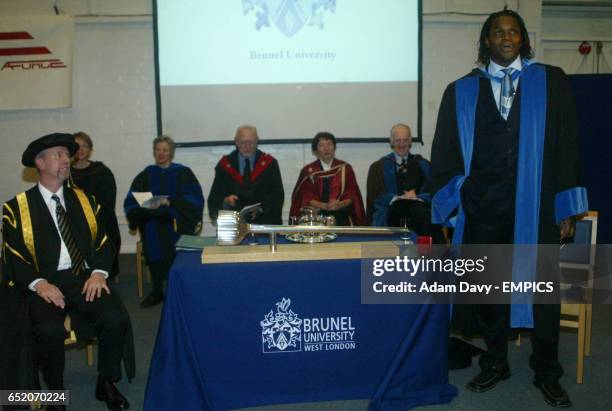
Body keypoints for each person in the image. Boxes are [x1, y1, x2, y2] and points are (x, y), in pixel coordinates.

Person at [430, 9, 587, 408]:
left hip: (536, 207)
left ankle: (547, 371)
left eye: (513, 31)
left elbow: (568, 146)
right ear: (486, 40)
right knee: (489, 294)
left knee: (543, 293)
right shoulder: (461, 90)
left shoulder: (551, 81)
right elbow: (445, 150)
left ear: (522, 39)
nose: (506, 36)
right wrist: (453, 204)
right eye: (498, 31)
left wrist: (566, 206)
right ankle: (496, 362)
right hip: (483, 208)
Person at [0, 133, 134, 410]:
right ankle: (55, 392)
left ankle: (106, 382)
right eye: (58, 154)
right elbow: (13, 256)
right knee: (49, 330)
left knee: (115, 318)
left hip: (84, 277)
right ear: (39, 162)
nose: (66, 159)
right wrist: (40, 284)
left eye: (66, 154)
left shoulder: (86, 200)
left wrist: (98, 272)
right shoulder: (16, 209)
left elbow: (104, 241)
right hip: (43, 282)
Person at [124, 136, 204, 308]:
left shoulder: (183, 173)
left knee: (170, 235)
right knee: (152, 232)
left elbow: (194, 200)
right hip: (152, 222)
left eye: (165, 150)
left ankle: (177, 290)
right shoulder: (146, 174)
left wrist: (170, 201)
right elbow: (131, 200)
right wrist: (146, 208)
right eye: (158, 150)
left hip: (176, 222)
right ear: (154, 152)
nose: (161, 153)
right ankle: (157, 290)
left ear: (171, 153)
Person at [366, 123, 443, 242]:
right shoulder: (378, 167)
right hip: (391, 213)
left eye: (405, 140)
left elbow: (434, 190)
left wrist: (417, 197)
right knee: (412, 209)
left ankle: (431, 254)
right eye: (397, 141)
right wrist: (397, 198)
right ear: (391, 142)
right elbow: (374, 195)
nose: (401, 144)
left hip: (419, 212)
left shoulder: (423, 164)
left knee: (417, 208)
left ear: (410, 142)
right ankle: (437, 251)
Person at [70, 131, 121, 280]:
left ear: (90, 150)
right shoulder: (65, 172)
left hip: (101, 221)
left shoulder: (101, 172)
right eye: (77, 146)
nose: (81, 149)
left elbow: (107, 202)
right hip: (73, 223)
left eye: (85, 146)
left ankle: (106, 275)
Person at [208, 125, 284, 224]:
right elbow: (215, 198)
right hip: (234, 225)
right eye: (243, 142)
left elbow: (277, 197)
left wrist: (261, 209)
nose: (247, 146)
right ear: (236, 141)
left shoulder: (270, 164)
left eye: (251, 142)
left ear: (257, 141)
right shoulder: (225, 166)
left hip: (263, 224)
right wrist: (225, 201)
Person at [290, 132, 366, 226]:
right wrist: (324, 206)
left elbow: (353, 194)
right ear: (315, 151)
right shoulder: (309, 171)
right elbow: (304, 197)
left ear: (334, 147)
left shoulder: (345, 168)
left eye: (329, 144)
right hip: (316, 219)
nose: (326, 148)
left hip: (341, 217)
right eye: (321, 145)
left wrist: (340, 204)